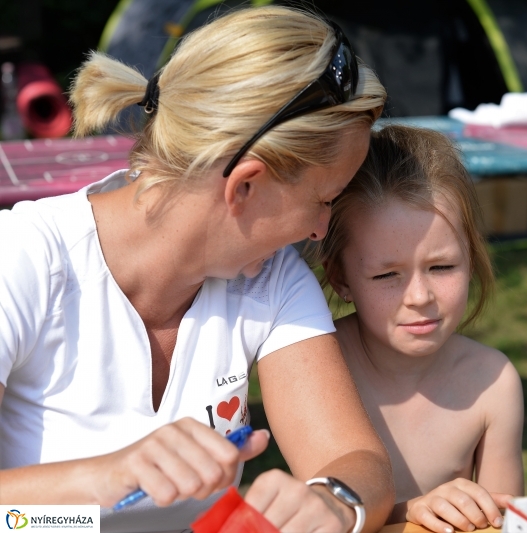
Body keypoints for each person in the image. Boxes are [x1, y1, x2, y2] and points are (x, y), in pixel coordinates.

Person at [0, 6, 395, 533]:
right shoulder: (24, 258)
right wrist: (105, 481)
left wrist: (332, 501)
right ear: (244, 186)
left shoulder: (273, 279)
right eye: (324, 200)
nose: (322, 230)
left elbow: (358, 464)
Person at [312, 125, 525, 533]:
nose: (419, 296)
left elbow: (507, 524)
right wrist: (412, 511)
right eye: (387, 275)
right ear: (340, 278)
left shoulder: (493, 383)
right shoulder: (318, 367)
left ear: (471, 257)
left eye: (441, 266)